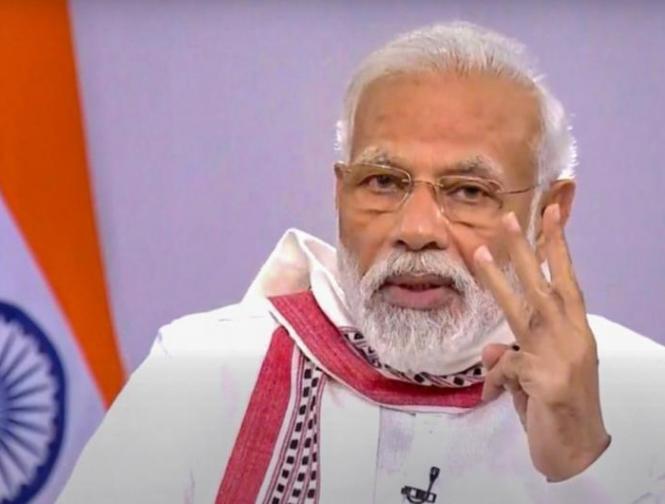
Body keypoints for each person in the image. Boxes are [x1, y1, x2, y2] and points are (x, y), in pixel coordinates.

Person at [58, 22, 665, 503]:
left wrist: (587, 466)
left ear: (549, 210)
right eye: (382, 181)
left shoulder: (646, 391)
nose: (416, 231)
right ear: (339, 192)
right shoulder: (202, 372)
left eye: (468, 191)